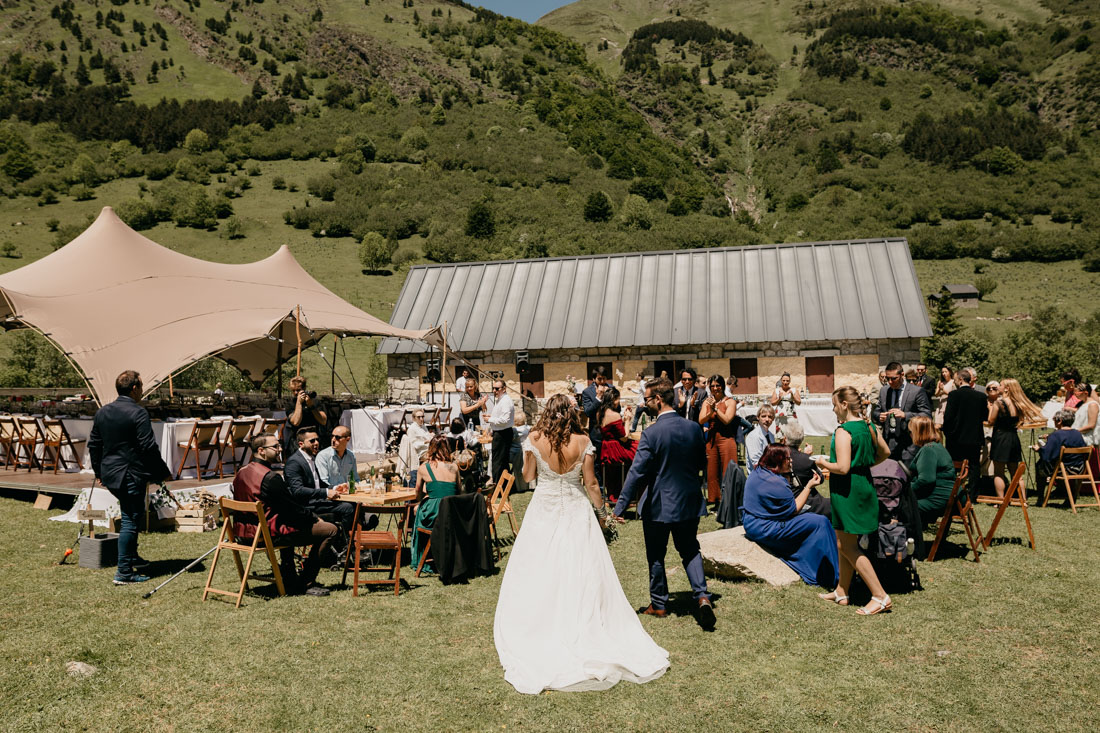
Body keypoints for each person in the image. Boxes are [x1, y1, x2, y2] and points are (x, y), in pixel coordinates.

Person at [494, 394, 669, 694]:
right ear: (572, 413)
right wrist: (603, 516)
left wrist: (534, 460)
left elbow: (528, 475)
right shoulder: (583, 440)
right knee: (581, 567)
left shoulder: (534, 438)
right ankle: (583, 624)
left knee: (541, 566)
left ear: (548, 412)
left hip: (544, 509)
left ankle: (543, 623)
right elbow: (590, 484)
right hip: (576, 509)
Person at [614, 378, 714, 628]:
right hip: (689, 500)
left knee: (657, 555)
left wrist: (619, 507)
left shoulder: (651, 432)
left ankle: (659, 605)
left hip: (659, 504)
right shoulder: (693, 428)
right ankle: (702, 596)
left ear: (658, 400)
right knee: (690, 549)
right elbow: (702, 463)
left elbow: (636, 473)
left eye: (646, 399)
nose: (644, 404)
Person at [88, 370, 174, 585]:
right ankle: (124, 572)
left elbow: (94, 445)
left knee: (132, 515)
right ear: (134, 388)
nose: (143, 391)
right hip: (130, 473)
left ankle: (132, 558)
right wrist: (162, 472)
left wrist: (99, 472)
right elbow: (148, 447)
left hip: (111, 473)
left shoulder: (103, 411)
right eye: (142, 387)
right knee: (130, 520)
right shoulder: (138, 413)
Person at [815, 386, 893, 615]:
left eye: (834, 405)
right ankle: (842, 590)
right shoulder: (868, 426)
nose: (833, 409)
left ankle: (880, 596)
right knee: (843, 541)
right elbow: (885, 452)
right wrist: (865, 464)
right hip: (863, 486)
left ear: (844, 405)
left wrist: (822, 462)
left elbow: (842, 467)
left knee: (848, 545)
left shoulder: (844, 430)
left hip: (848, 490)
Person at [232, 434, 338, 596]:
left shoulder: (241, 472)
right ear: (261, 451)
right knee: (330, 529)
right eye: (275, 447)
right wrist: (314, 518)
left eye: (279, 445)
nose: (280, 449)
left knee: (287, 522)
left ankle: (289, 576)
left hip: (242, 534)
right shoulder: (270, 478)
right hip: (265, 536)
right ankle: (306, 583)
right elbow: (291, 509)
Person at [742, 445, 838, 588]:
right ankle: (831, 574)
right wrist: (809, 486)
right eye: (788, 459)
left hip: (750, 523)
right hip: (765, 528)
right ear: (778, 461)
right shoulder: (776, 482)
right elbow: (794, 509)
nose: (791, 461)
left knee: (810, 520)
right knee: (820, 522)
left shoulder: (758, 472)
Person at [284, 427, 356, 532]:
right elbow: (298, 490)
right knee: (348, 507)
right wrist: (326, 492)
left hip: (317, 502)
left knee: (353, 504)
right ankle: (345, 545)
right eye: (312, 441)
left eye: (317, 439)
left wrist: (335, 487)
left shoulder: (311, 458)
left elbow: (318, 483)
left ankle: (346, 540)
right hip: (306, 506)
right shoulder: (294, 462)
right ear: (301, 444)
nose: (316, 443)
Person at [411, 435, 460, 573]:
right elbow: (459, 491)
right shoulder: (454, 467)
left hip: (435, 514)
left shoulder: (424, 468)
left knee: (418, 510)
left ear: (431, 449)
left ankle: (422, 555)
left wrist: (429, 496)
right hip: (452, 512)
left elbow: (417, 494)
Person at [942, 368, 988, 497]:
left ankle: (953, 492)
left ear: (961, 380)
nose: (954, 382)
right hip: (974, 437)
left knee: (954, 466)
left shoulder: (954, 395)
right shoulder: (981, 396)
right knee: (974, 467)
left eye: (956, 379)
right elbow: (985, 416)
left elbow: (949, 417)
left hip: (956, 437)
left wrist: (947, 432)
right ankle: (973, 494)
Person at [872, 361, 932, 460]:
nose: (890, 381)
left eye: (894, 378)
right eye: (888, 378)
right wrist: (879, 416)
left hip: (909, 443)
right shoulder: (884, 391)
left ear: (902, 375)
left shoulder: (916, 391)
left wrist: (905, 415)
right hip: (889, 443)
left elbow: (927, 415)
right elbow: (876, 412)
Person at [905, 415, 956, 526]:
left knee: (902, 506)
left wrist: (905, 489)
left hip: (940, 499)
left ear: (919, 433)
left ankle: (909, 539)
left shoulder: (928, 450)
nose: (909, 434)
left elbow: (926, 480)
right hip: (949, 496)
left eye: (911, 431)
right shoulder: (936, 445)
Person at [698, 375, 739, 507]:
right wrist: (710, 412)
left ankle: (729, 499)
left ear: (722, 386)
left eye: (718, 385)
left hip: (726, 438)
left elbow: (727, 420)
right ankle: (715, 500)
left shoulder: (730, 401)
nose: (715, 388)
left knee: (728, 469)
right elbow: (701, 420)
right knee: (712, 470)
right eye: (713, 386)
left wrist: (715, 409)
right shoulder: (706, 402)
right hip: (711, 439)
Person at [778, 420, 830, 516]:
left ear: (785, 439)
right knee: (834, 505)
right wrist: (808, 457)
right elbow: (820, 478)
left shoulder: (777, 456)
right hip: (804, 501)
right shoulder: (805, 459)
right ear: (801, 439)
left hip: (783, 499)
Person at [597, 387, 636, 503]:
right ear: (613, 399)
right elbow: (624, 437)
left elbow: (612, 431)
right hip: (616, 449)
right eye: (618, 399)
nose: (618, 401)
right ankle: (634, 494)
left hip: (605, 447)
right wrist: (628, 420)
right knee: (639, 450)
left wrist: (622, 420)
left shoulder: (599, 413)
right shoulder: (614, 415)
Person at [1033, 409, 1087, 493]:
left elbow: (1047, 455)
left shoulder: (1056, 435)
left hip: (1064, 469)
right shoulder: (1077, 433)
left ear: (1060, 421)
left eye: (1054, 419)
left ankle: (1040, 497)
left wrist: (1039, 449)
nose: (1053, 421)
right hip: (1079, 468)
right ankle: (1068, 494)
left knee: (1040, 465)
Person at [985, 381, 1022, 499]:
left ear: (1006, 389)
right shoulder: (1018, 403)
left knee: (999, 472)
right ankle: (1023, 499)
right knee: (1016, 473)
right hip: (1013, 437)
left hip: (1001, 437)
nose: (998, 387)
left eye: (1000, 385)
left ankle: (1001, 500)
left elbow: (991, 422)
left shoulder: (999, 403)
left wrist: (990, 408)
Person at [284, 376, 327, 456]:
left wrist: (311, 406)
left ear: (304, 388)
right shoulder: (290, 404)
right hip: (297, 441)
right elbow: (295, 422)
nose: (296, 393)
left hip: (314, 439)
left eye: (298, 390)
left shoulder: (315, 401)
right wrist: (299, 403)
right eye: (293, 391)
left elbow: (323, 421)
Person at [486, 379, 515, 485]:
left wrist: (490, 420)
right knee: (501, 461)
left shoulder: (506, 401)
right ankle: (503, 485)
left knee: (498, 461)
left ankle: (498, 486)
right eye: (493, 388)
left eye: (497, 388)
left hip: (503, 433)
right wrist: (492, 417)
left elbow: (505, 420)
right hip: (500, 432)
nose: (494, 391)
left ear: (504, 389)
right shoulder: (500, 400)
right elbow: (501, 417)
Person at [399, 409, 432, 486]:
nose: (421, 419)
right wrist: (425, 442)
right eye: (419, 417)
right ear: (414, 418)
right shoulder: (412, 429)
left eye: (422, 417)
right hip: (421, 452)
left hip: (429, 448)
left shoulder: (423, 427)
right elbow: (413, 445)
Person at [581, 367, 609, 454]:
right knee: (598, 459)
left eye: (604, 378)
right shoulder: (587, 392)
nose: (602, 381)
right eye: (599, 379)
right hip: (596, 431)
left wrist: (609, 397)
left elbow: (618, 408)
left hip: (610, 429)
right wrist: (598, 398)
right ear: (593, 379)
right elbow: (588, 412)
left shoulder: (611, 389)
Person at [745, 404, 776, 471]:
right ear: (758, 417)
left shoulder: (771, 436)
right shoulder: (753, 436)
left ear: (773, 419)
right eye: (763, 416)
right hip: (758, 475)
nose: (767, 419)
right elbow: (756, 462)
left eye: (770, 417)